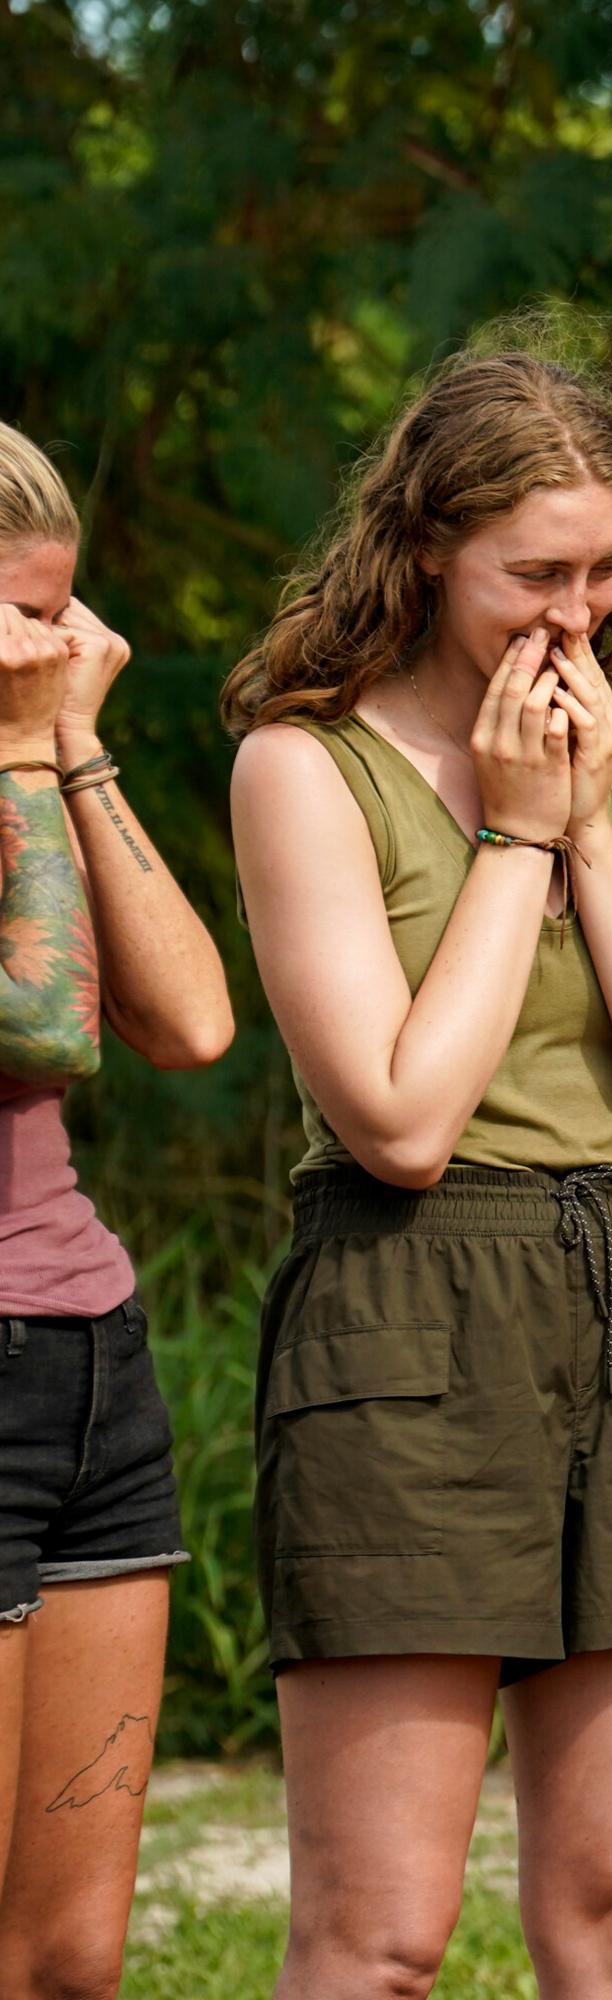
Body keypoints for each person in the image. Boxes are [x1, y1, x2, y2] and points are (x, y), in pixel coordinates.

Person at [226, 342, 612, 2000]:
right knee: (380, 1937)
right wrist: (516, 832)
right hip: (409, 1300)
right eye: (535, 574)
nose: (578, 614)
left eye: (604, 569)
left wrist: (591, 825)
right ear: (423, 548)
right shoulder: (304, 765)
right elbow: (401, 1119)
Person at [0, 422, 233, 1996]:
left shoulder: (27, 759)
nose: (63, 647)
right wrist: (28, 753)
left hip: (88, 1360)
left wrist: (72, 749)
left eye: (63, 613)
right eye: (27, 618)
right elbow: (41, 1029)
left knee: (72, 1959)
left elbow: (194, 1022)